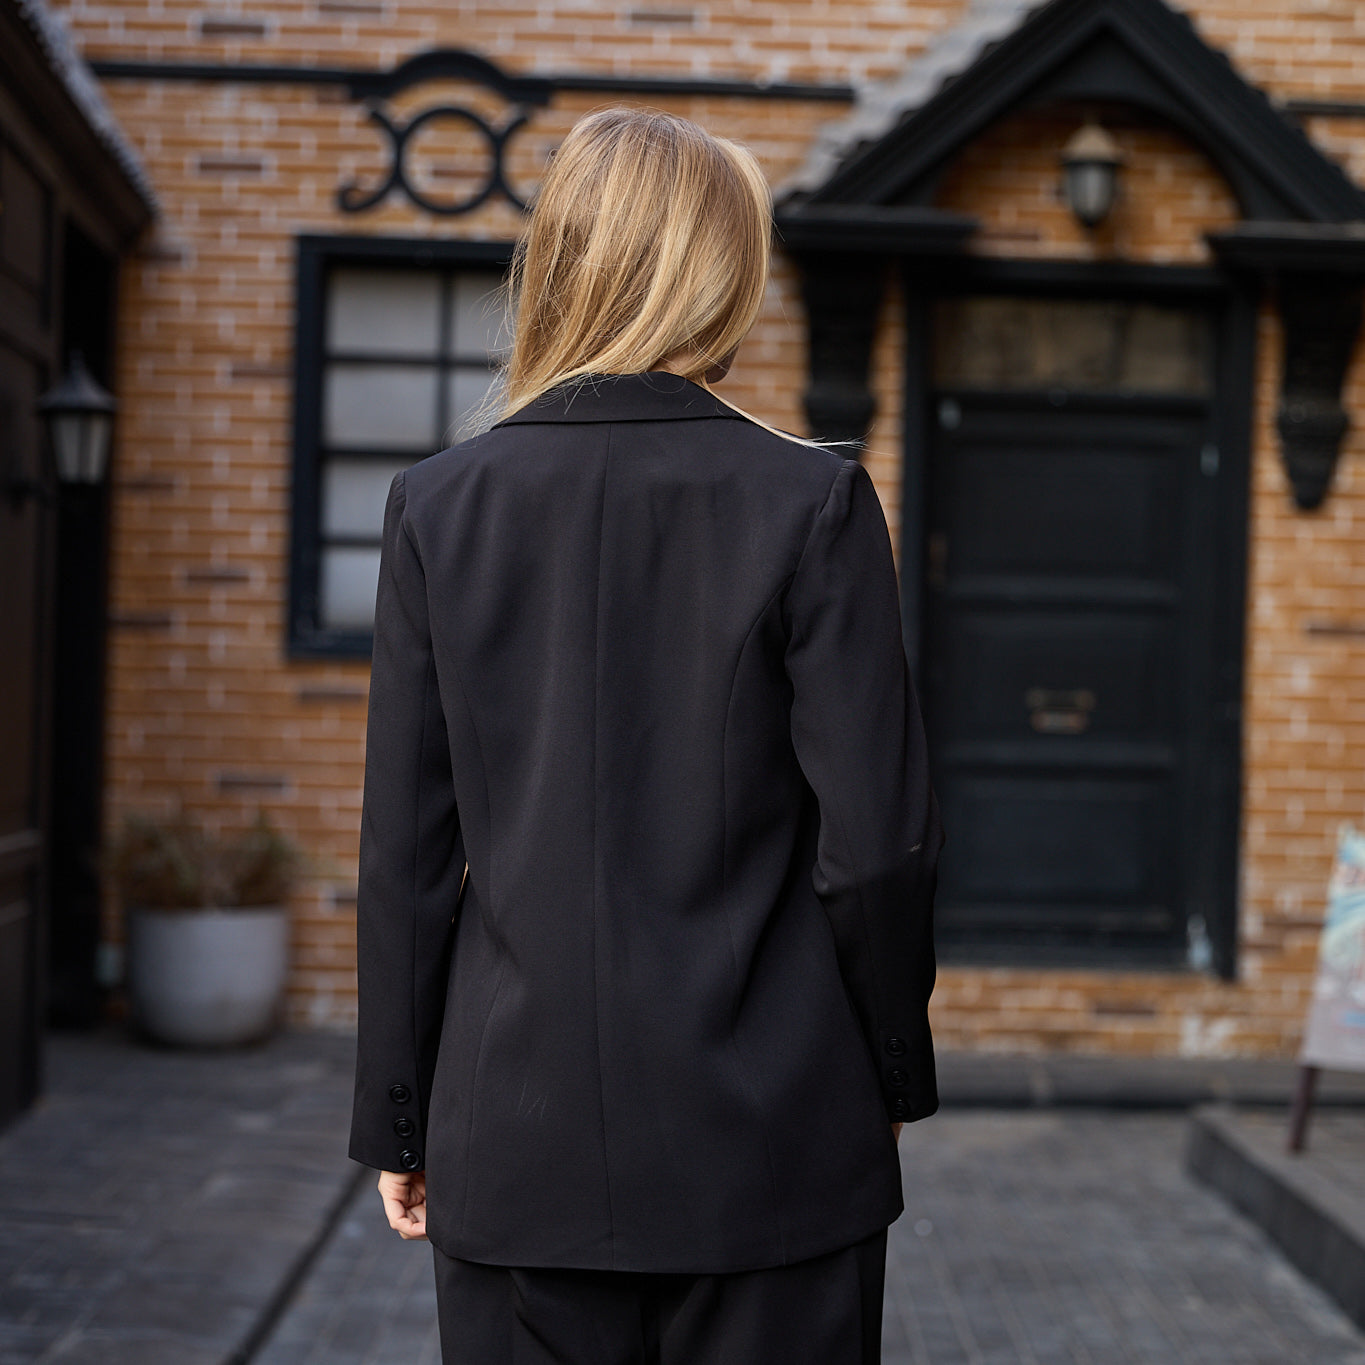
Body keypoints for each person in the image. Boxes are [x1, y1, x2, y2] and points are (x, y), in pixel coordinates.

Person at [348, 106, 943, 1365]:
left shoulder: (435, 507)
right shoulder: (815, 502)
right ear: (722, 270)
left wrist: (396, 1122)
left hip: (513, 1146)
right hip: (774, 1145)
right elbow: (876, 852)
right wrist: (890, 1079)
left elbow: (404, 862)